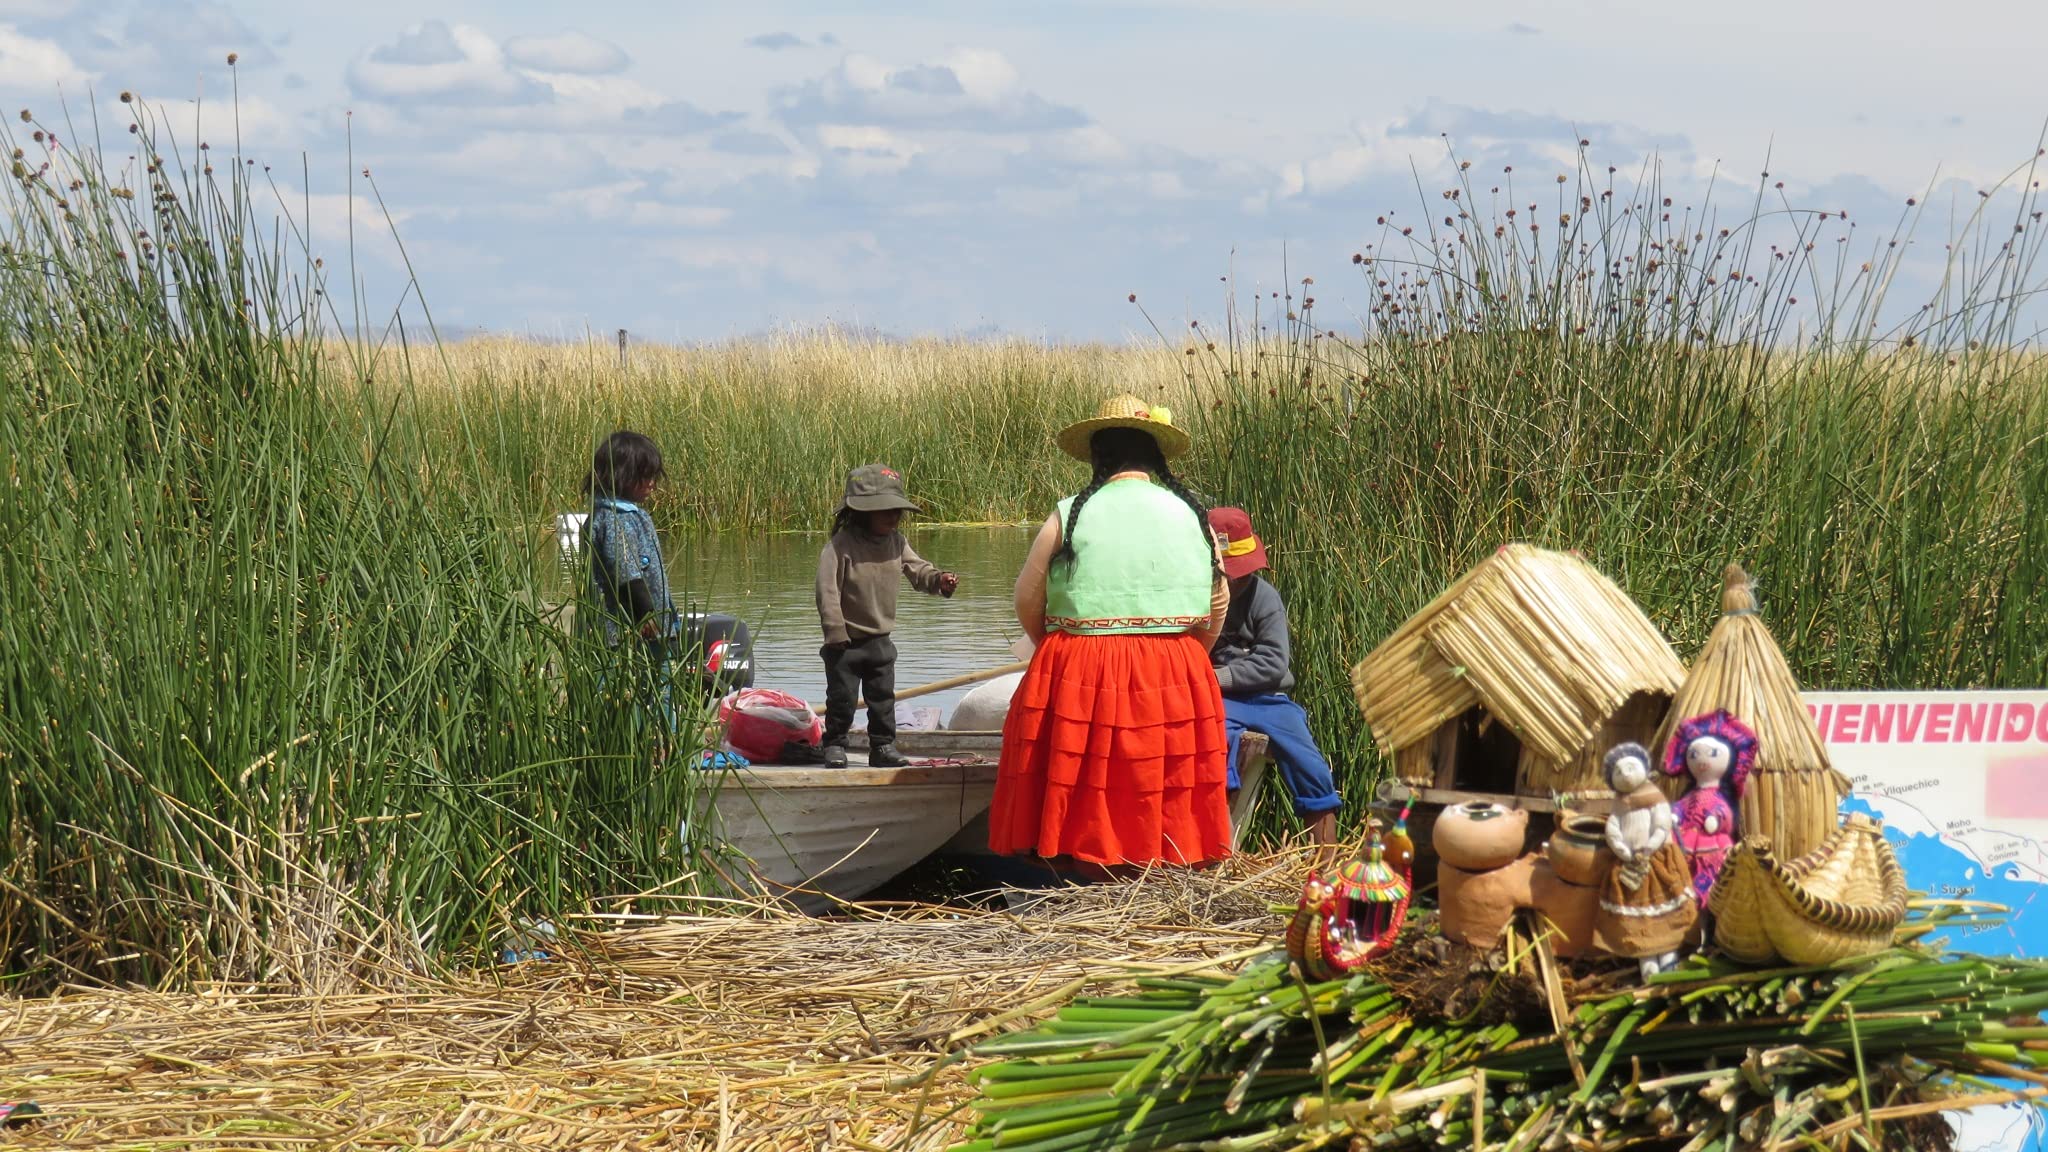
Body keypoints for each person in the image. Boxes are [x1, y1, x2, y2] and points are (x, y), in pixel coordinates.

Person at [988, 394, 1234, 870]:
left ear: (1098, 456)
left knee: (1087, 787)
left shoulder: (1071, 511)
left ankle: (1082, 872)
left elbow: (1026, 598)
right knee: (1156, 786)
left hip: (1080, 664)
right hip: (1175, 664)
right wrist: (1190, 654)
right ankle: (1158, 876)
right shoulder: (1192, 514)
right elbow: (1217, 601)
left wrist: (1054, 652)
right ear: (1153, 456)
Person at [1204, 507, 1344, 847]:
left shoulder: (1264, 598)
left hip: (1268, 699)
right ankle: (1216, 853)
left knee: (1308, 762)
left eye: (1241, 573)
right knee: (1213, 751)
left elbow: (1273, 663)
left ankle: (1326, 859)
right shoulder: (1195, 598)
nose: (1236, 580)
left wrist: (1215, 677)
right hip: (1219, 702)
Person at [816, 464, 959, 769]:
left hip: (880, 641)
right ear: (861, 512)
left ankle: (882, 747)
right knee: (841, 699)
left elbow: (919, 570)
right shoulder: (840, 546)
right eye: (885, 511)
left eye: (897, 511)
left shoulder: (897, 543)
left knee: (882, 700)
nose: (893, 517)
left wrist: (939, 580)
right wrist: (835, 631)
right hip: (845, 644)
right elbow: (827, 591)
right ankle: (836, 745)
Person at [583, 430, 679, 737]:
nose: (652, 484)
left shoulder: (632, 515)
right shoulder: (613, 518)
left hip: (647, 624)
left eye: (653, 476)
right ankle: (653, 747)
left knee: (657, 690)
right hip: (627, 629)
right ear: (621, 475)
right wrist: (647, 617)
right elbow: (626, 572)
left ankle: (660, 745)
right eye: (644, 476)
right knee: (645, 693)